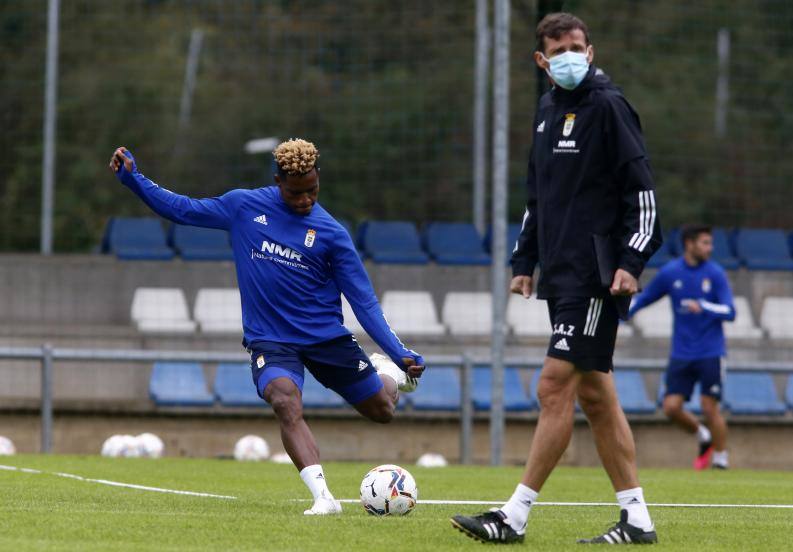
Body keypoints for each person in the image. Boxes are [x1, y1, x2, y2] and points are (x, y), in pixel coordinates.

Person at [108, 139, 425, 515]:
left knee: (382, 409)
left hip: (325, 338)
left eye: (312, 190)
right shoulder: (243, 206)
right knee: (283, 399)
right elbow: (183, 209)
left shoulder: (333, 234)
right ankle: (324, 498)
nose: (306, 199)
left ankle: (386, 373)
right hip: (271, 339)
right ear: (278, 181)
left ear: (318, 178)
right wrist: (134, 180)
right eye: (296, 193)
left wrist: (398, 353)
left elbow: (364, 302)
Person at [451, 12, 662, 545]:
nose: (571, 56)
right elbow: (537, 197)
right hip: (560, 276)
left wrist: (630, 262)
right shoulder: (547, 110)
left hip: (596, 277)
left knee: (552, 387)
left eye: (578, 46)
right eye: (559, 49)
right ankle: (636, 520)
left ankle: (513, 516)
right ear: (542, 61)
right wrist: (525, 262)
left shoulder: (610, 107)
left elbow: (644, 196)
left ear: (590, 50)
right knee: (596, 397)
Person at [627, 224, 733, 470]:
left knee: (709, 407)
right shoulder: (671, 272)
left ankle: (720, 459)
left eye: (710, 243)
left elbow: (731, 311)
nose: (710, 248)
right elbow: (645, 298)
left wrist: (704, 306)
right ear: (689, 244)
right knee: (671, 407)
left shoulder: (715, 274)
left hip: (711, 352)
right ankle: (703, 436)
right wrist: (623, 313)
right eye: (705, 243)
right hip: (681, 353)